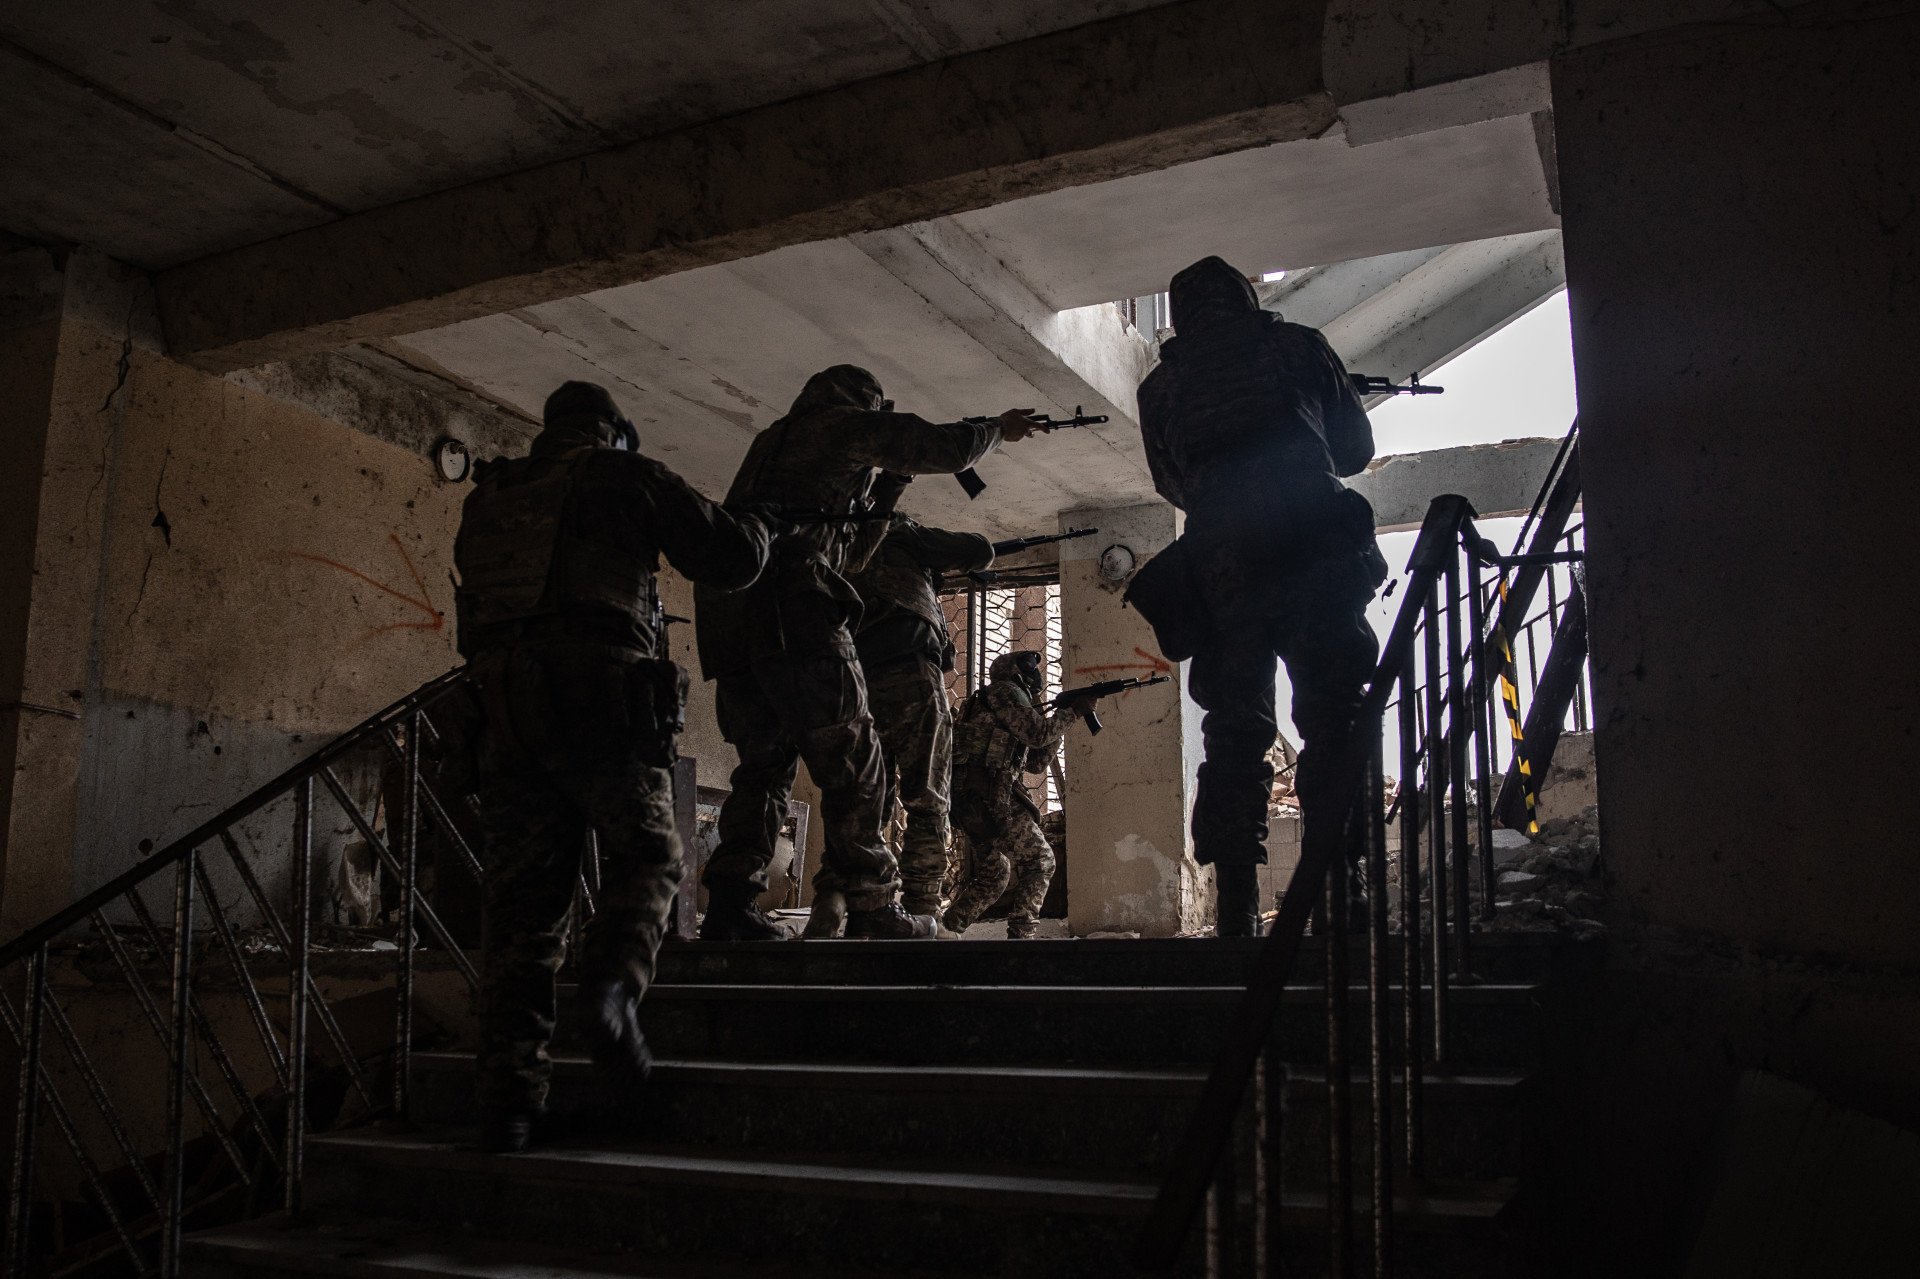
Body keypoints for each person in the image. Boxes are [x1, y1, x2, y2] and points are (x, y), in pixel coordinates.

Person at [455, 380, 777, 1151]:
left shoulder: (493, 491)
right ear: (612, 431)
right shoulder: (621, 474)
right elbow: (731, 558)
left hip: (503, 708)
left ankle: (511, 1103)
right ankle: (609, 989)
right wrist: (763, 524)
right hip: (598, 695)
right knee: (652, 855)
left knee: (524, 918)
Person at [694, 365, 1037, 941]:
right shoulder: (837, 426)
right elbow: (947, 448)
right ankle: (875, 906)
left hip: (733, 621)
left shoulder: (772, 443)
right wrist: (997, 428)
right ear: (863, 404)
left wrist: (889, 486)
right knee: (857, 765)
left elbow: (849, 560)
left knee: (763, 771)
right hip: (795, 607)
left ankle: (730, 902)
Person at [1131, 256, 1386, 936]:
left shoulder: (1160, 387)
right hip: (1310, 546)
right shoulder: (1296, 345)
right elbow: (1355, 448)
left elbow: (1173, 483)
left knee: (1235, 731)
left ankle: (1237, 908)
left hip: (1222, 564)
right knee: (1333, 714)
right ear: (1244, 299)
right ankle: (1343, 894)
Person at [833, 513, 995, 926]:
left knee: (865, 801)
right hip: (911, 674)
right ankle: (923, 911)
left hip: (855, 678)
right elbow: (981, 550)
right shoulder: (895, 528)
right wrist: (927, 553)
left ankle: (844, 905)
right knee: (928, 798)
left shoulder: (834, 538)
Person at [941, 651, 1077, 939]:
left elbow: (1036, 763)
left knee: (995, 874)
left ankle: (945, 929)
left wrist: (1062, 722)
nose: (1034, 674)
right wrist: (1071, 713)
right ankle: (1022, 935)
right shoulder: (1005, 692)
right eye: (1027, 667)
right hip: (990, 796)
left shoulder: (994, 702)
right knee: (1041, 861)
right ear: (1013, 672)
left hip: (975, 798)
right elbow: (1038, 734)